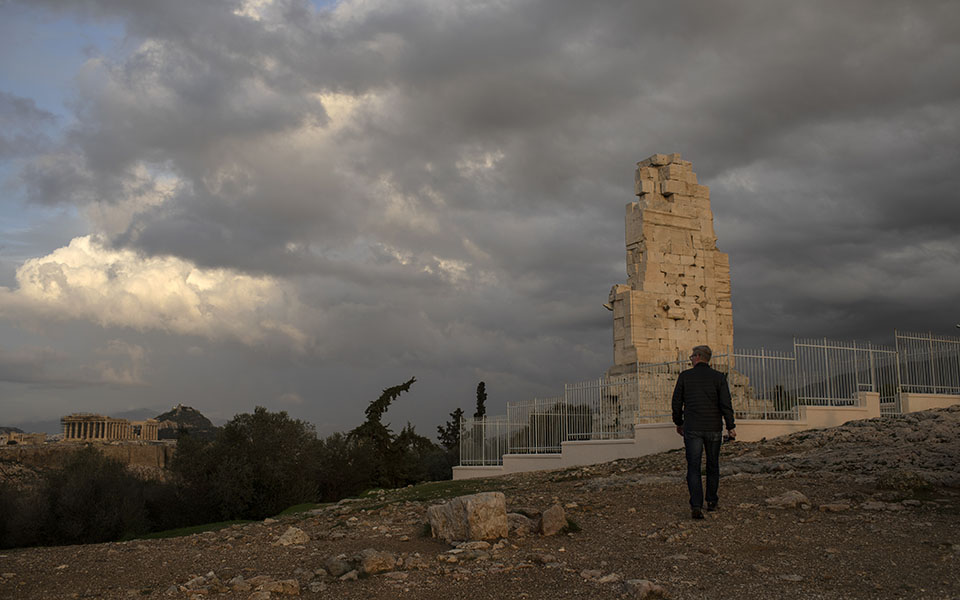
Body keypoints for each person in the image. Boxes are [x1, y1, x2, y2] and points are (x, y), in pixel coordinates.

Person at [671, 345, 736, 519]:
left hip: (692, 428)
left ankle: (697, 505)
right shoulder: (719, 377)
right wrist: (731, 426)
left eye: (692, 356)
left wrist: (678, 422)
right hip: (714, 427)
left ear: (699, 357)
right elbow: (725, 404)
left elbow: (676, 402)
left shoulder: (685, 376)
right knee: (713, 464)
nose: (690, 358)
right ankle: (712, 501)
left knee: (693, 467)